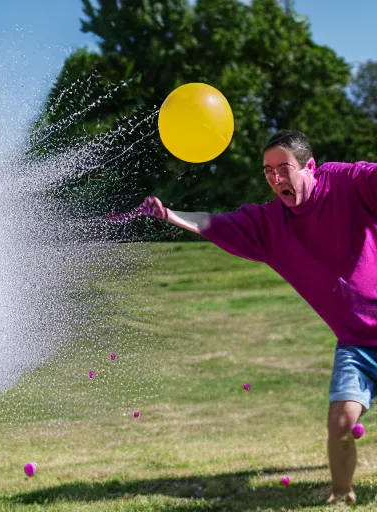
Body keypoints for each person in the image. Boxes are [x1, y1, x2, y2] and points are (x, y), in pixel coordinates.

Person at [138, 129, 377, 505]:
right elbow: (217, 224)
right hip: (357, 346)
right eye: (268, 171)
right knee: (342, 423)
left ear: (310, 166)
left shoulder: (347, 182)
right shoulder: (269, 225)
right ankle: (342, 492)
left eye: (284, 168)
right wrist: (170, 214)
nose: (276, 178)